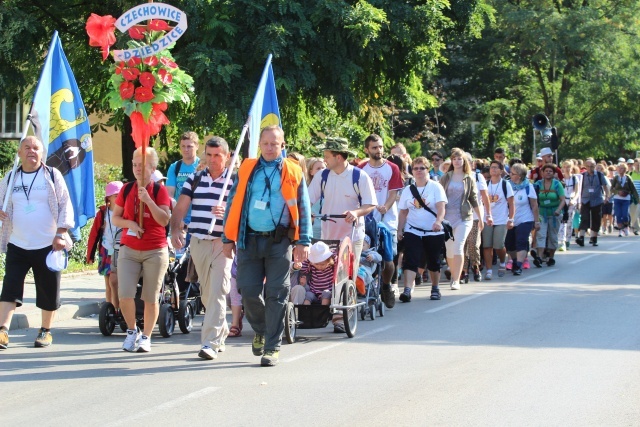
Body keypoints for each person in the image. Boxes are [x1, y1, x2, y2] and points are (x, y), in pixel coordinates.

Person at [222, 125, 312, 367]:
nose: (270, 148)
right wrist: (227, 238)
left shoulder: (293, 171)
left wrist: (303, 241)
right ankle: (261, 329)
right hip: (248, 240)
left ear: (283, 145)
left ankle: (272, 347)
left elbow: (303, 207)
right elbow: (233, 202)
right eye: (266, 143)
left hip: (279, 242)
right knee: (247, 290)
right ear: (259, 145)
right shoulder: (247, 168)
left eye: (275, 143)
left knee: (276, 294)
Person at [0, 136, 74, 350]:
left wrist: (61, 233)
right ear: (19, 153)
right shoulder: (10, 178)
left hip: (48, 244)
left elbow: (65, 205)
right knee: (10, 287)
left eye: (36, 148)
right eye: (27, 148)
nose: (31, 151)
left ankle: (45, 331)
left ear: (42, 153)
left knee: (48, 289)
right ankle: (3, 331)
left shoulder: (52, 175)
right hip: (17, 243)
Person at [171, 136, 233, 360]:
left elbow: (241, 213)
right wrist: (175, 230)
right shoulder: (195, 179)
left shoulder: (234, 181)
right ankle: (220, 329)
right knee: (207, 294)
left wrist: (226, 212)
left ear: (226, 156)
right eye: (209, 154)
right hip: (197, 241)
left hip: (223, 243)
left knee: (217, 291)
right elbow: (180, 208)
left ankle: (209, 342)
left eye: (217, 155)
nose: (213, 159)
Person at [308, 137, 377, 314]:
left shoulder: (359, 176)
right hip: (328, 235)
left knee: (347, 274)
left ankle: (344, 312)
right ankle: (330, 308)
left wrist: (355, 213)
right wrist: (307, 213)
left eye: (327, 156)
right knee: (327, 274)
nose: (324, 159)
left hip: (352, 234)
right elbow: (307, 200)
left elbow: (370, 204)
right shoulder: (322, 176)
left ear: (338, 157)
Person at [112, 147, 171, 353]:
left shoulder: (158, 190)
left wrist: (148, 201)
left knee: (150, 296)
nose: (137, 169)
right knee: (125, 294)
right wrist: (131, 224)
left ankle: (146, 336)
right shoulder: (126, 189)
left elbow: (164, 219)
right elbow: (115, 218)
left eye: (142, 165)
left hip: (155, 249)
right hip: (130, 247)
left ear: (152, 168)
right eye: (135, 164)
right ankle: (131, 331)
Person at [358, 134, 403, 309]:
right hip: (367, 219)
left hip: (388, 219)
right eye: (375, 147)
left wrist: (386, 205)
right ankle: (367, 286)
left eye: (381, 147)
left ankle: (386, 286)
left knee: (388, 258)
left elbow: (393, 192)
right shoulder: (361, 169)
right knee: (366, 255)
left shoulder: (392, 167)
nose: (379, 150)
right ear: (367, 149)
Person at [397, 157, 447, 301]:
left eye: (422, 168)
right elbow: (403, 211)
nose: (419, 171)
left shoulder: (435, 187)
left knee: (433, 260)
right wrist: (400, 229)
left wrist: (438, 221)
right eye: (415, 168)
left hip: (433, 231)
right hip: (413, 229)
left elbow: (441, 207)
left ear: (428, 169)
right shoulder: (408, 190)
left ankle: (435, 288)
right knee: (411, 259)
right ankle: (407, 290)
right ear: (412, 171)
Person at [439, 148, 483, 290]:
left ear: (464, 161)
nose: (457, 161)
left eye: (460, 159)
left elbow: (474, 199)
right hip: (447, 218)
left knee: (458, 246)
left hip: (464, 217)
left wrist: (481, 218)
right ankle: (453, 273)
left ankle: (457, 279)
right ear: (451, 161)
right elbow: (438, 196)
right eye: (454, 159)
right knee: (449, 250)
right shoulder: (446, 177)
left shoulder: (469, 178)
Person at [86, 181, 123, 314]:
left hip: (122, 250)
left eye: (121, 195)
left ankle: (120, 308)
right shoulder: (102, 213)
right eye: (115, 196)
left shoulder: (127, 211)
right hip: (107, 250)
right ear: (108, 198)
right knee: (109, 284)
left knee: (119, 282)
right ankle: (110, 310)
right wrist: (90, 255)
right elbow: (94, 234)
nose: (118, 198)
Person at [482, 161, 514, 279]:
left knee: (498, 245)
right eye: (491, 168)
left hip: (501, 219)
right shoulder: (485, 184)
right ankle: (489, 270)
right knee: (487, 245)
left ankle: (502, 261)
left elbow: (511, 203)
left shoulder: (505, 184)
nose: (493, 170)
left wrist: (511, 219)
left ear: (501, 170)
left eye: (496, 168)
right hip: (487, 219)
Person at [505, 164, 539, 275]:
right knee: (509, 243)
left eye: (512, 173)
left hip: (525, 218)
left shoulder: (528, 187)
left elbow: (534, 205)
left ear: (519, 176)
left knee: (521, 240)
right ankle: (515, 261)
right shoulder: (507, 186)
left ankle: (519, 265)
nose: (510, 175)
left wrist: (536, 221)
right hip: (510, 219)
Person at [531, 164, 565, 266]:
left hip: (555, 214)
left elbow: (563, 200)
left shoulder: (557, 184)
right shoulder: (538, 184)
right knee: (541, 235)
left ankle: (551, 257)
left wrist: (559, 210)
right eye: (546, 171)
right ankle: (540, 258)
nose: (548, 173)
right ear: (542, 173)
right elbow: (533, 197)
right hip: (542, 213)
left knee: (552, 236)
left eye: (550, 171)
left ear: (554, 173)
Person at [466, 153, 492, 282]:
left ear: (472, 164)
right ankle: (463, 271)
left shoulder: (478, 176)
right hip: (460, 216)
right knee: (462, 244)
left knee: (473, 242)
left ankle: (475, 266)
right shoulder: (454, 177)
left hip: (476, 215)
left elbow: (485, 196)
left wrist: (488, 215)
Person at [166, 131, 200, 226]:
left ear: (197, 146)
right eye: (183, 146)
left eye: (189, 146)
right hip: (180, 220)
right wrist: (175, 216)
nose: (186, 149)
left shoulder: (202, 165)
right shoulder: (174, 167)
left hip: (198, 220)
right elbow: (170, 194)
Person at [290, 241, 336, 305]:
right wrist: (308, 259)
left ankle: (323, 311)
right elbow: (303, 269)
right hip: (314, 293)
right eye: (317, 264)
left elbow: (338, 261)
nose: (319, 266)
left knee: (326, 293)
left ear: (328, 261)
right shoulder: (311, 265)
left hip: (328, 293)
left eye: (322, 264)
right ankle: (305, 312)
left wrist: (332, 255)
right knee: (308, 294)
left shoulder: (331, 266)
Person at [576, 159, 609, 247]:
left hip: (597, 200)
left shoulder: (599, 175)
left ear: (595, 166)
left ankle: (594, 238)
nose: (590, 168)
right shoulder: (582, 176)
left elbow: (605, 186)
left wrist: (607, 196)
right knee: (584, 218)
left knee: (596, 219)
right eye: (588, 166)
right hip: (585, 200)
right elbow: (578, 189)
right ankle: (581, 237)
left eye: (592, 166)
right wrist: (578, 201)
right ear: (585, 167)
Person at [558, 161, 581, 251]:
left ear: (571, 168)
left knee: (569, 223)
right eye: (565, 167)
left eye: (568, 167)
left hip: (571, 202)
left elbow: (577, 191)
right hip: (562, 202)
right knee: (563, 222)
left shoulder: (575, 178)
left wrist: (574, 199)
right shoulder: (561, 179)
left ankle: (567, 240)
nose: (566, 169)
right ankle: (562, 241)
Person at [611, 162, 639, 236]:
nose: (621, 170)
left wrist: (637, 198)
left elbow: (633, 189)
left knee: (625, 214)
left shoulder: (628, 177)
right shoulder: (616, 178)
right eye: (620, 168)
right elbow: (611, 189)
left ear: (625, 170)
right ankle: (620, 230)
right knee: (618, 214)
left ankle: (626, 227)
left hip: (626, 199)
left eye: (623, 168)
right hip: (617, 198)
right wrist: (618, 192)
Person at [306, 157, 326, 240]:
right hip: (313, 230)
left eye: (323, 168)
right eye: (318, 168)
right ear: (311, 172)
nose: (321, 171)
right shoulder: (306, 189)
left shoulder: (332, 187)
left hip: (329, 229)